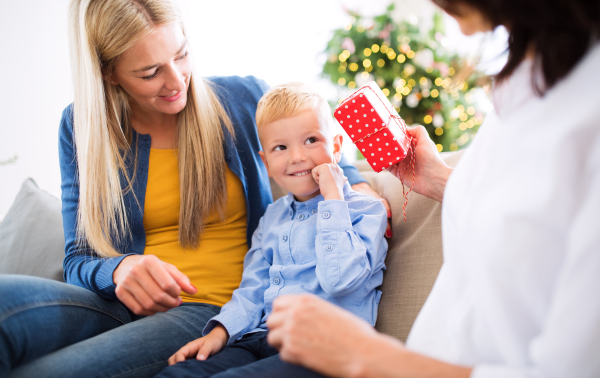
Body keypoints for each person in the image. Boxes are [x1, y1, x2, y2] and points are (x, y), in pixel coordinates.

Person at [0, 1, 384, 377]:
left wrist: (361, 190)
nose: (176, 80)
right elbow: (77, 259)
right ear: (108, 73)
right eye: (150, 73)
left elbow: (316, 142)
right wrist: (119, 269)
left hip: (209, 308)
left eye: (182, 55)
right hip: (114, 304)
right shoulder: (82, 127)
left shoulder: (242, 99)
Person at [263, 0, 600, 377]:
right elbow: (531, 219)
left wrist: (366, 356)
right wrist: (439, 180)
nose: (463, 29)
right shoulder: (534, 73)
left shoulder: (588, 113)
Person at [154, 83, 388, 378]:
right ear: (266, 163)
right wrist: (220, 332)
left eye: (311, 140)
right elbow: (253, 287)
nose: (297, 157)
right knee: (178, 374)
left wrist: (332, 198)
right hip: (259, 338)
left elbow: (339, 280)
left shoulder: (366, 210)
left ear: (337, 146)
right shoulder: (272, 217)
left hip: (325, 348)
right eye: (281, 147)